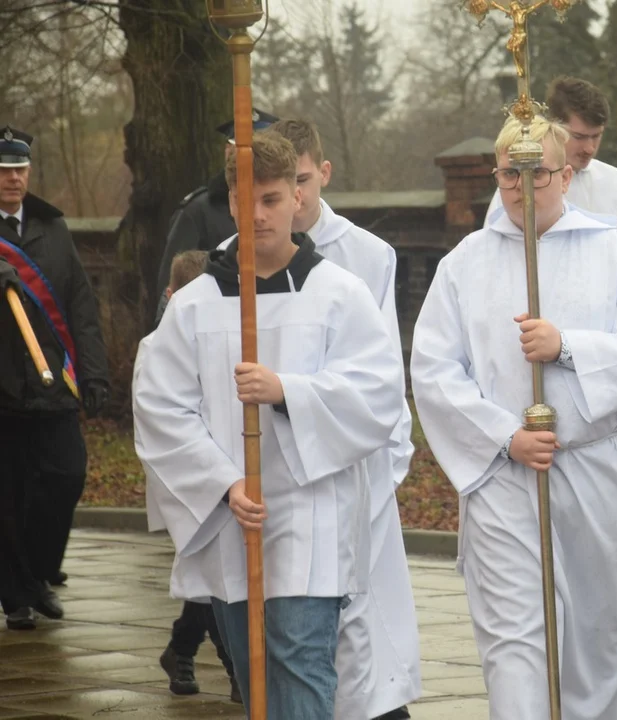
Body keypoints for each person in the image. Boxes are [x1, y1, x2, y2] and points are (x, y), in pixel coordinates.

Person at [410, 113, 617, 720]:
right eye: (509, 171)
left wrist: (567, 348)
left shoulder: (614, 253)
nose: (520, 185)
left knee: (603, 639)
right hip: (505, 481)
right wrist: (504, 436)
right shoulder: (465, 263)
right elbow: (433, 369)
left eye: (535, 172)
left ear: (565, 175)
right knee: (516, 644)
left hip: (599, 473)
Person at [134, 130, 405, 719]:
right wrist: (223, 482)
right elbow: (160, 406)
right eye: (246, 198)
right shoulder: (196, 303)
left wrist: (289, 393)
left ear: (297, 199)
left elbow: (380, 393)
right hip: (236, 517)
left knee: (301, 659)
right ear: (230, 199)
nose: (258, 215)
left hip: (313, 516)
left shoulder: (338, 294)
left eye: (273, 199)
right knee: (252, 670)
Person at [255, 118, 419, 720]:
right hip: (275, 459)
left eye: (301, 182)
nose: (293, 200)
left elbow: (380, 368)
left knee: (365, 621)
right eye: (279, 187)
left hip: (353, 453)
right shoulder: (241, 253)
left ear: (321, 174)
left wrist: (387, 460)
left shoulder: (367, 256)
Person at [0, 125, 110, 631]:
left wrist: (93, 374)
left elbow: (80, 307)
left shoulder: (53, 228)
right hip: (4, 392)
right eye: (4, 171)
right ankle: (17, 594)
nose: (13, 179)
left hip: (52, 386)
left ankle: (40, 573)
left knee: (66, 476)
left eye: (19, 169)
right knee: (9, 495)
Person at [132, 250, 241, 702]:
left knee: (211, 580)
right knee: (211, 579)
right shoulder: (160, 344)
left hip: (221, 477)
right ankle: (234, 668)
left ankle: (183, 650)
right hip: (193, 482)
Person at [484, 76, 617, 275]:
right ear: (553, 126)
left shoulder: (612, 180)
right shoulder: (518, 185)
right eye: (578, 137)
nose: (589, 148)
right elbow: (494, 254)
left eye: (596, 136)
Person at [152, 108, 278, 323]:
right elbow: (172, 290)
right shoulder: (197, 212)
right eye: (241, 148)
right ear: (227, 152)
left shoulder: (285, 209)